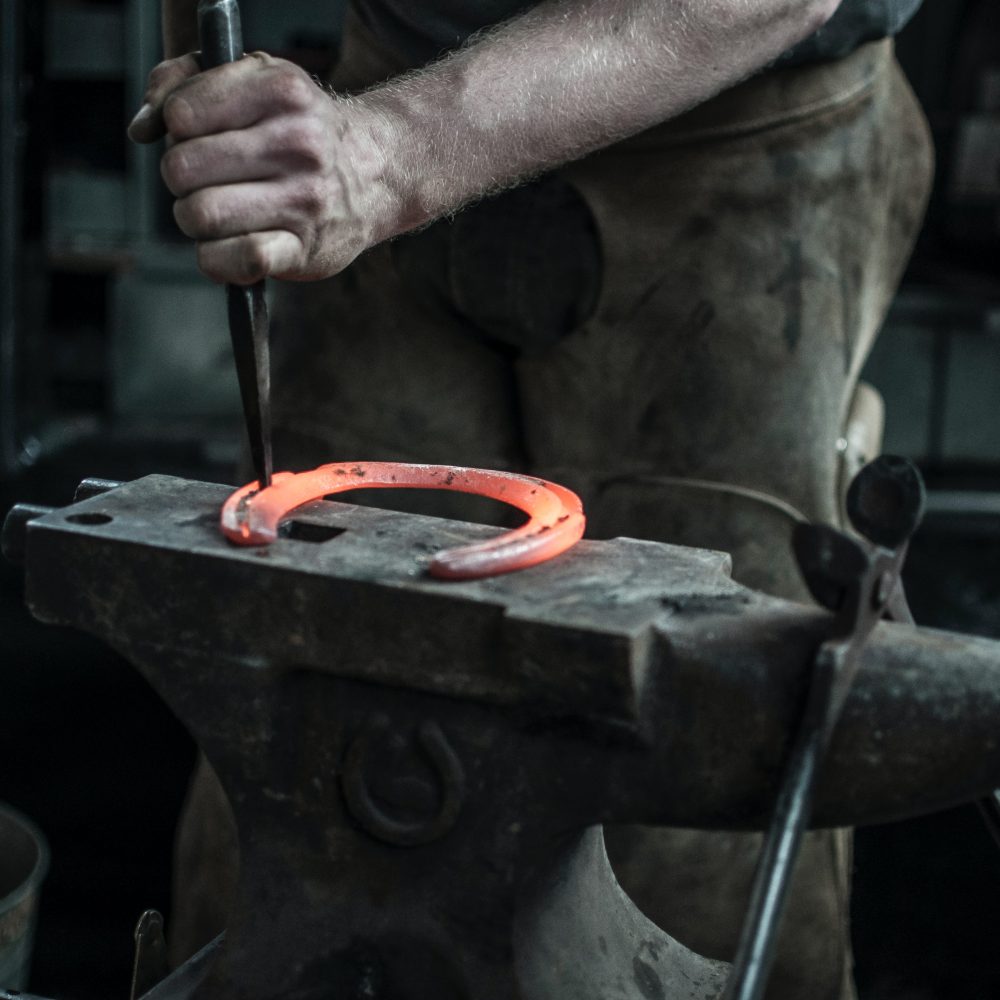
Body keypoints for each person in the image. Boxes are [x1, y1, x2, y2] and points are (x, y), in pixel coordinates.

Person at [129, 2, 933, 997]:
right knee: (306, 731)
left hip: (736, 119)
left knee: (697, 768)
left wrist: (389, 158)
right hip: (388, 74)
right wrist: (233, 103)